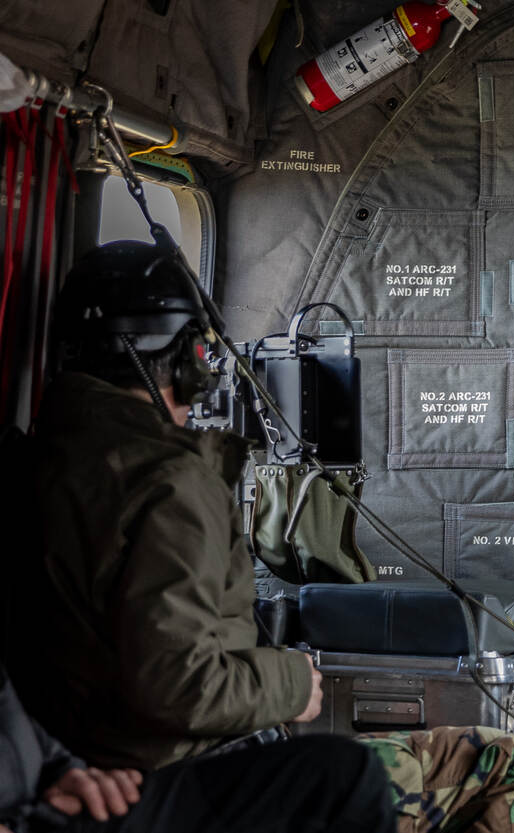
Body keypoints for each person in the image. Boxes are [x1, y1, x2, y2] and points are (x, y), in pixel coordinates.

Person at [9, 240, 321, 769]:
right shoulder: (172, 483)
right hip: (172, 766)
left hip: (75, 751)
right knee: (461, 757)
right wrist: (294, 684)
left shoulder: (37, 455)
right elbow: (178, 688)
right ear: (187, 361)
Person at [1, 661, 397, 833]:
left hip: (53, 802)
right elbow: (172, 678)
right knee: (345, 780)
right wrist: (292, 684)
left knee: (339, 772)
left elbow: (17, 726)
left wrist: (67, 772)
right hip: (42, 818)